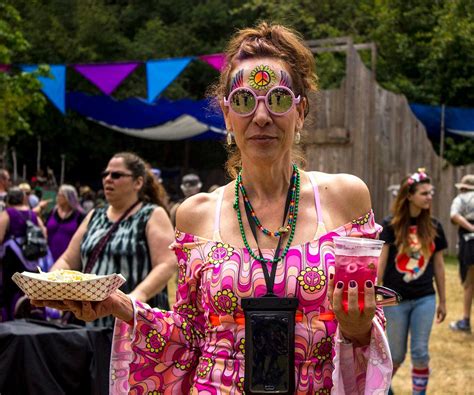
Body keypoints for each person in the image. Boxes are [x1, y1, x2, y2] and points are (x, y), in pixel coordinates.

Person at [33, 23, 391, 393]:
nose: (262, 116)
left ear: (300, 112)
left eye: (279, 98)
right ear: (226, 116)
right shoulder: (194, 213)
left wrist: (356, 326)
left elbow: (368, 319)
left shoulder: (345, 197)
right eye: (244, 101)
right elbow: (189, 337)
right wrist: (121, 306)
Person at [49, 152, 177, 326]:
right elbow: (68, 259)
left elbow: (167, 263)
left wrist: (136, 296)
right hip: (93, 322)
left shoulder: (152, 213)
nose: (108, 179)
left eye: (116, 175)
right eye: (105, 174)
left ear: (138, 183)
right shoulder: (95, 215)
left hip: (135, 323)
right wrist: (49, 283)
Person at [378, 169, 447, 395]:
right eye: (424, 193)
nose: (429, 197)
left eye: (431, 193)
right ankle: (382, 389)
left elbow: (438, 266)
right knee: (395, 355)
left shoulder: (434, 227)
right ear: (409, 195)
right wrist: (377, 298)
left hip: (424, 298)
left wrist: (443, 301)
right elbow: (381, 263)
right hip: (394, 300)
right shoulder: (390, 226)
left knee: (420, 353)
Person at [0, 187, 49, 321]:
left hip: (12, 261)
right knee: (32, 291)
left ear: (8, 200)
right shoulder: (32, 214)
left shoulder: (7, 213)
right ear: (23, 198)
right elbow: (44, 233)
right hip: (32, 259)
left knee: (10, 293)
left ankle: (12, 322)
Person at [449, 174, 474, 333]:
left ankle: (465, 321)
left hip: (470, 243)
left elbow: (454, 215)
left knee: (469, 282)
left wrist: (471, 228)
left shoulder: (461, 198)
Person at [45, 184, 85, 261]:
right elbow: (44, 228)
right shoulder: (53, 212)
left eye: (60, 195)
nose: (57, 197)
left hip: (69, 259)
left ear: (68, 198)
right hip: (49, 256)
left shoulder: (79, 215)